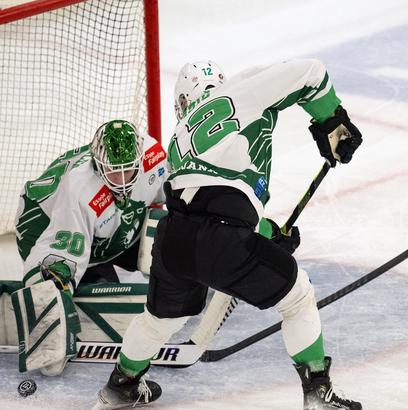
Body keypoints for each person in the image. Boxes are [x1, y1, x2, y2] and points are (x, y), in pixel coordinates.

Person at [94, 60, 363, 409]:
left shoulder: (180, 136)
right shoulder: (239, 92)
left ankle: (122, 384)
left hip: (174, 236)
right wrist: (333, 121)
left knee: (160, 320)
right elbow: (310, 72)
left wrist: (267, 234)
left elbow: (209, 198)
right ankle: (318, 394)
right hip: (221, 237)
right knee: (298, 299)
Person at [13, 119, 168, 375]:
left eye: (128, 171)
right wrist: (52, 293)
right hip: (42, 224)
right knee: (60, 276)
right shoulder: (80, 189)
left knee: (168, 229)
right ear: (97, 165)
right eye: (112, 172)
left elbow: (179, 193)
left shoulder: (153, 157)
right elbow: (62, 255)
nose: (121, 180)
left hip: (106, 227)